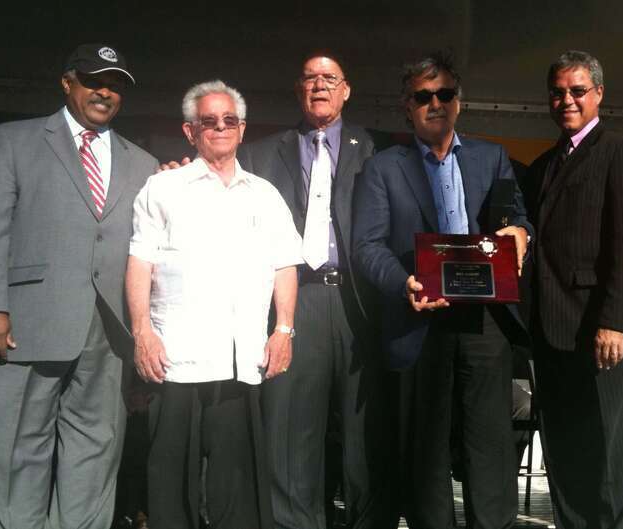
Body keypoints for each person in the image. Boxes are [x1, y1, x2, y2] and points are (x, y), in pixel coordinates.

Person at [0, 43, 158, 529]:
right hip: (28, 321)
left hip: (110, 330)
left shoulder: (143, 162)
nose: (104, 92)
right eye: (94, 80)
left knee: (95, 450)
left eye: (115, 85)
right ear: (67, 82)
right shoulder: (14, 140)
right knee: (18, 448)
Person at [352, 51, 532, 529]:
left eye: (444, 94)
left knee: (489, 439)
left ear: (459, 101)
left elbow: (515, 215)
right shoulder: (383, 168)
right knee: (425, 448)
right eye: (423, 97)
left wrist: (521, 232)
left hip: (484, 318)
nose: (435, 104)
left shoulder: (492, 157)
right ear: (406, 106)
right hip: (420, 315)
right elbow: (367, 246)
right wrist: (403, 283)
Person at [127, 80, 301, 529]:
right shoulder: (162, 187)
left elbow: (285, 266)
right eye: (209, 121)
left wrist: (283, 330)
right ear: (190, 131)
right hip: (176, 361)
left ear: (242, 129)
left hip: (239, 360)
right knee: (171, 488)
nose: (220, 128)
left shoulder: (265, 194)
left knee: (238, 490)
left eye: (229, 120)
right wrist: (142, 332)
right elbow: (140, 263)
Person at [237, 52, 388, 529]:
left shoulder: (378, 150)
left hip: (357, 303)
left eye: (329, 78)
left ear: (346, 90)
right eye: (309, 78)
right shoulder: (259, 154)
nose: (319, 85)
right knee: (289, 431)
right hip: (292, 300)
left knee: (365, 434)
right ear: (297, 90)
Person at [523, 50, 623, 529]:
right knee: (566, 456)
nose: (567, 100)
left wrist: (616, 321)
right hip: (551, 334)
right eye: (558, 92)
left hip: (602, 333)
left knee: (610, 463)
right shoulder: (543, 165)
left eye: (578, 91)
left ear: (599, 93)